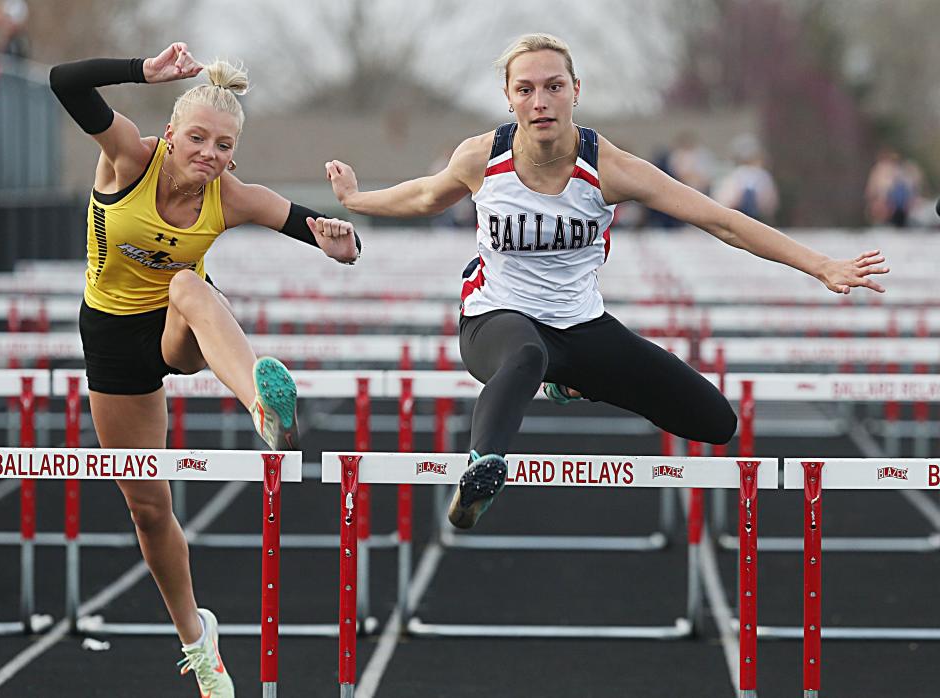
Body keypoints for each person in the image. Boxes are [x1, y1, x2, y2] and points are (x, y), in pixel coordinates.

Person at [325, 32, 888, 531]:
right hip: (495, 321)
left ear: (576, 90)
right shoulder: (481, 158)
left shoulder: (611, 168)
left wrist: (821, 265)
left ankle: (564, 381)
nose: (540, 101)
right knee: (524, 354)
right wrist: (356, 200)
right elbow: (424, 195)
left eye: (553, 86)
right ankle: (484, 470)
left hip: (579, 326)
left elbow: (721, 220)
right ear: (509, 98)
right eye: (525, 90)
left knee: (714, 421)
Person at [50, 43, 360, 696]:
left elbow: (330, 238)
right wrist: (142, 72)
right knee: (148, 508)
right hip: (110, 340)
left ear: (232, 157)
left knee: (190, 286)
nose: (209, 154)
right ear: (171, 136)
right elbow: (64, 80)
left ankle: (262, 407)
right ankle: (198, 640)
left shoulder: (234, 195)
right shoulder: (129, 156)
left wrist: (342, 241)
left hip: (180, 331)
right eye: (198, 138)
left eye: (222, 146)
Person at [713, 133, 779, 223]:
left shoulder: (760, 175)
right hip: (740, 211)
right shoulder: (737, 174)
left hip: (752, 213)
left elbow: (769, 199)